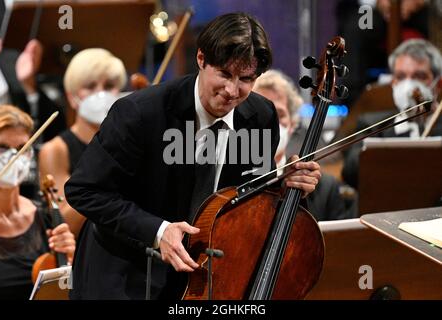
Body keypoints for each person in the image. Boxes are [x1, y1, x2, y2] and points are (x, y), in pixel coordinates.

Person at [64, 13, 322, 300]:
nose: (232, 91)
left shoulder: (261, 116)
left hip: (200, 277)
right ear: (201, 59)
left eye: (246, 79)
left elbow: (251, 200)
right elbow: (84, 190)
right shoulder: (139, 113)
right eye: (224, 74)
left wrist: (286, 188)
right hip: (125, 274)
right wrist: (159, 231)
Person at [38, 48, 127, 237]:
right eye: (90, 86)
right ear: (72, 97)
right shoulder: (56, 149)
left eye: (109, 85)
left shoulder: (129, 140)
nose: (100, 93)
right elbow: (65, 222)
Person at [0, 105, 75, 300]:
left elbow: (65, 291)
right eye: (2, 147)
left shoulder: (46, 215)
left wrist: (70, 261)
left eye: (22, 148)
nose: (14, 156)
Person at [342, 38, 442, 189]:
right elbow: (350, 173)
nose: (409, 85)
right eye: (401, 77)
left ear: (437, 83)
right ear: (393, 82)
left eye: (419, 76)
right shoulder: (373, 125)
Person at [253, 69, 351, 221]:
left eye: (279, 114)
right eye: (260, 112)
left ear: (292, 124)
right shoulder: (232, 180)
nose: (270, 121)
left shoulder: (325, 188)